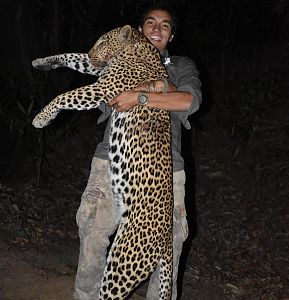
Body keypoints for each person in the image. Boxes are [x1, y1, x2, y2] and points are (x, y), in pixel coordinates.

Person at [74, 4, 202, 300]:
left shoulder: (182, 66)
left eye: (165, 25)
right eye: (150, 22)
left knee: (167, 249)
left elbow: (188, 101)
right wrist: (148, 86)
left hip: (164, 172)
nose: (157, 29)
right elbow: (105, 97)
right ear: (138, 30)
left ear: (171, 36)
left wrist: (142, 95)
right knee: (93, 238)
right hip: (112, 161)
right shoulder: (119, 60)